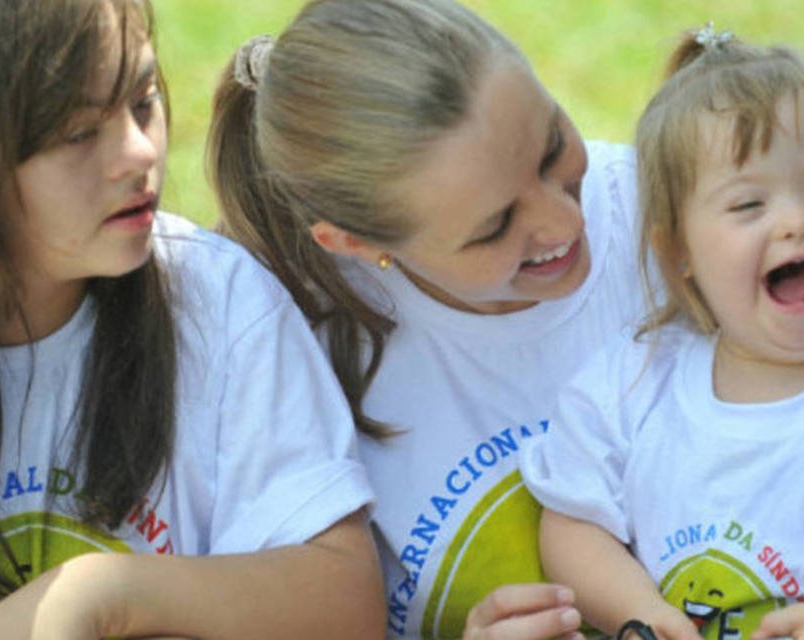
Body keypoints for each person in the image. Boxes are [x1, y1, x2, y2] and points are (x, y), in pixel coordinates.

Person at [0, 1, 383, 638]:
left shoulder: (216, 299)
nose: (137, 153)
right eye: (79, 133)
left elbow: (342, 598)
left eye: (143, 101)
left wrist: (104, 593)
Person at [207, 0, 648, 637]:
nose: (564, 222)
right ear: (353, 243)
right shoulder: (292, 348)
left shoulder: (678, 217)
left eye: (553, 147)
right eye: (495, 227)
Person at [520, 24, 804, 640]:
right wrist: (641, 611)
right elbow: (576, 523)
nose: (799, 219)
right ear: (677, 251)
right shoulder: (636, 378)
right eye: (748, 205)